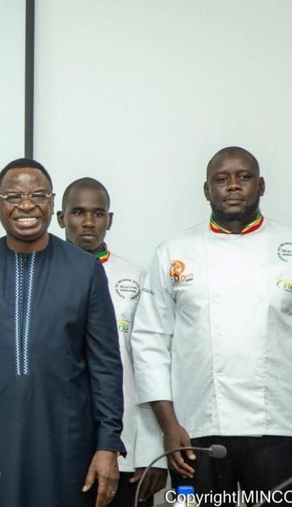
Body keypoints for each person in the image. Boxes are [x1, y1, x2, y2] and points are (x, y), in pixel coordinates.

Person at [0, 158, 125, 507]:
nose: (25, 205)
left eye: (37, 195)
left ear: (52, 203)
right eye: (12, 196)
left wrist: (108, 444)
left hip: (65, 444)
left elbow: (106, 368)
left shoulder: (85, 272)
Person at [131, 146, 292, 507]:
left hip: (278, 429)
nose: (233, 186)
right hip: (195, 432)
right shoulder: (174, 252)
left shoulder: (288, 246)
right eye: (221, 179)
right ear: (207, 190)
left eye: (244, 177)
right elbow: (150, 342)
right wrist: (169, 427)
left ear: (261, 185)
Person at [57, 177, 167, 506]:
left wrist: (153, 453)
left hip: (126, 452)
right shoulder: (40, 276)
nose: (88, 222)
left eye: (98, 213)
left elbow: (150, 365)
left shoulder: (136, 280)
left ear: (110, 219)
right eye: (77, 212)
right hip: (57, 446)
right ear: (61, 218)